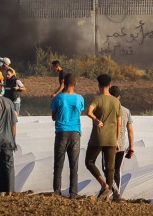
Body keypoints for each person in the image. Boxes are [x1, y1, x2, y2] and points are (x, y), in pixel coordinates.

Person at [85, 73, 122, 202]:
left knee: (89, 161)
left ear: (99, 86)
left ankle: (104, 185)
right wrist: (117, 140)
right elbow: (119, 123)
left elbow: (88, 112)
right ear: (110, 85)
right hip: (112, 139)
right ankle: (107, 196)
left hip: (98, 137)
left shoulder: (97, 99)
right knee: (110, 167)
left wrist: (95, 119)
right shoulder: (116, 101)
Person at [50, 73, 84, 199]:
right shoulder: (80, 98)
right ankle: (73, 193)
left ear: (63, 83)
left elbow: (53, 117)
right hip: (75, 133)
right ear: (75, 84)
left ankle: (57, 192)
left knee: (58, 163)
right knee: (73, 165)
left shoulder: (58, 98)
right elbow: (79, 112)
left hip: (61, 132)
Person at [106, 85, 135, 201]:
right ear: (119, 97)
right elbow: (130, 131)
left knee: (108, 169)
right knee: (117, 169)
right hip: (122, 146)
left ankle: (112, 193)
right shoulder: (126, 111)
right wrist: (131, 146)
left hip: (109, 144)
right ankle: (114, 194)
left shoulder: (107, 110)